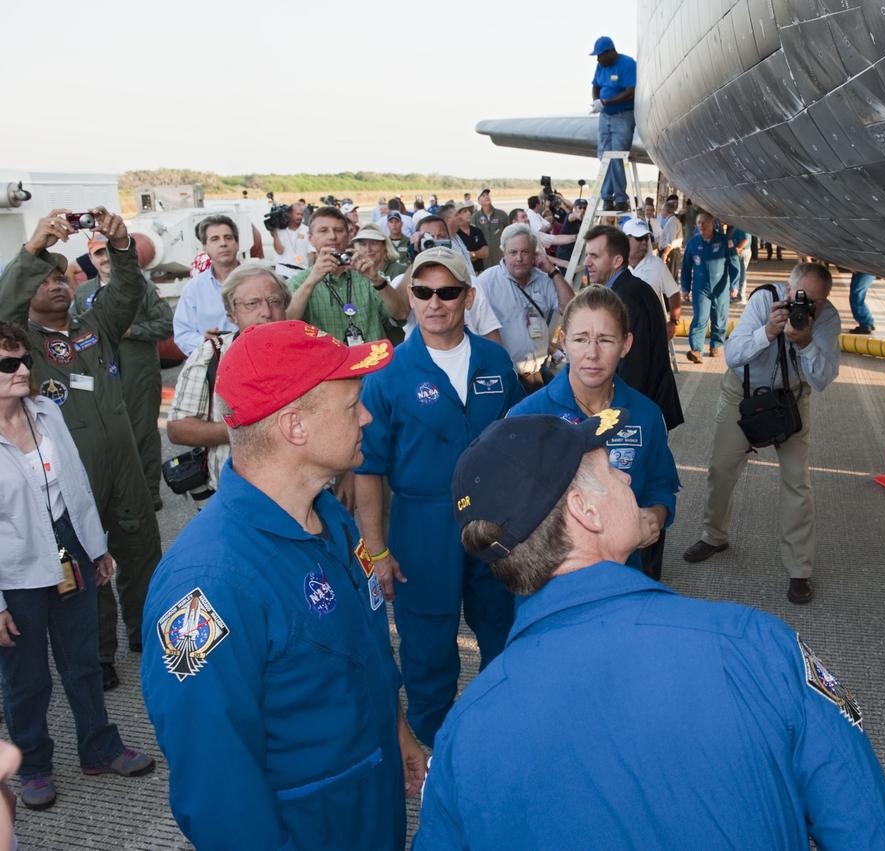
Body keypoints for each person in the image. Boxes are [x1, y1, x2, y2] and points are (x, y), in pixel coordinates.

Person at [412, 411, 885, 849]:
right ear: (584, 512)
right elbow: (867, 830)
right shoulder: (754, 647)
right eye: (609, 468)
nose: (626, 474)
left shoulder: (464, 735)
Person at [142, 320, 423, 850]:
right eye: (351, 405)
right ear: (295, 427)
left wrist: (398, 730)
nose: (367, 416)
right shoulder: (208, 585)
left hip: (371, 801)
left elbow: (363, 651)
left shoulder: (331, 519)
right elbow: (215, 790)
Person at [353, 247, 521, 747]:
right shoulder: (386, 374)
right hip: (421, 528)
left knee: (504, 633)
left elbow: (517, 444)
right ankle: (431, 752)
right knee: (427, 649)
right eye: (422, 292)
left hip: (494, 525)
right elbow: (367, 471)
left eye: (447, 292)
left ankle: (502, 736)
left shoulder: (495, 360)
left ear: (468, 298)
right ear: (410, 296)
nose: (434, 302)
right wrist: (377, 551)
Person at [0, 208, 163, 691]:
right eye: (43, 279)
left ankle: (147, 629)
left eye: (62, 276)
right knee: (89, 559)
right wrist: (32, 250)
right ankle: (98, 653)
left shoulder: (95, 326)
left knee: (140, 547)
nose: (56, 284)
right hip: (73, 471)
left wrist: (120, 248)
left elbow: (129, 291)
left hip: (124, 461)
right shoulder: (19, 345)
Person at [0, 320, 155, 811]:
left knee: (83, 661)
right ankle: (32, 767)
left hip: (68, 546)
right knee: (26, 679)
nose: (24, 369)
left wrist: (96, 547)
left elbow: (75, 486)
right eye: (9, 363)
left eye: (25, 358)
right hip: (12, 570)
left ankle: (100, 746)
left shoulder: (46, 409)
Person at [683, 263, 841, 605]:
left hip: (792, 401)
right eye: (799, 297)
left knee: (798, 483)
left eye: (814, 302)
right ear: (787, 289)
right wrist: (767, 332)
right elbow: (732, 356)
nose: (804, 307)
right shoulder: (762, 301)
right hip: (743, 394)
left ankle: (799, 569)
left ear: (825, 301)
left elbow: (823, 379)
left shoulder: (826, 319)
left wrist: (806, 343)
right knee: (722, 469)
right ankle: (714, 535)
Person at [508, 286, 677, 579]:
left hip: (624, 572)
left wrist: (656, 514)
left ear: (626, 344)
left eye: (606, 340)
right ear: (563, 342)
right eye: (581, 339)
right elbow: (506, 502)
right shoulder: (525, 416)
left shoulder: (646, 415)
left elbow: (662, 482)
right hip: (548, 578)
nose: (592, 353)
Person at [165, 262, 290, 499]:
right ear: (232, 313)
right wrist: (246, 430)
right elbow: (178, 428)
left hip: (300, 493)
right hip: (236, 495)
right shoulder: (210, 354)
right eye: (252, 304)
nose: (266, 312)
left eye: (274, 301)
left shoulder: (306, 352)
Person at [71, 235, 173, 509]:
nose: (105, 258)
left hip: (138, 371)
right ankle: (121, 492)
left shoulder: (142, 286)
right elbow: (74, 330)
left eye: (109, 252)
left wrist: (132, 331)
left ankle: (149, 492)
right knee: (109, 435)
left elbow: (166, 324)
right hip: (100, 375)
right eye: (98, 254)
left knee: (142, 432)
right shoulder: (83, 293)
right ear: (91, 259)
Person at [581, 225, 683, 430]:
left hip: (637, 412)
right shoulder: (631, 288)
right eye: (586, 255)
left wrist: (619, 418)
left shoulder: (624, 299)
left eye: (594, 256)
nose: (587, 263)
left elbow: (634, 365)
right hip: (644, 406)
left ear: (617, 261)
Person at [473, 223, 575, 392]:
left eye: (525, 252)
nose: (519, 258)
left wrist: (552, 270)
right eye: (513, 252)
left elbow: (571, 310)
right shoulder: (486, 282)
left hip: (538, 371)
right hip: (507, 375)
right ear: (503, 252)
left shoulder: (544, 279)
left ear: (534, 253)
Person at [285, 205, 409, 345]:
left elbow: (401, 315)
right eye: (323, 231)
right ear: (311, 238)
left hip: (372, 362)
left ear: (349, 235)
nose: (332, 236)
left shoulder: (368, 275)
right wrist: (311, 282)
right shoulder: (299, 282)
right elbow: (286, 325)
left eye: (338, 230)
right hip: (328, 364)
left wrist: (378, 281)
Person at [397, 218, 502, 343]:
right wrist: (414, 258)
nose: (434, 242)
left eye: (450, 293)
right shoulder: (403, 281)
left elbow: (490, 331)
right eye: (423, 292)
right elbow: (400, 313)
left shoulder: (470, 282)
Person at [173, 215, 241, 356]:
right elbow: (182, 334)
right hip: (213, 363)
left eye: (228, 237)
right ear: (205, 247)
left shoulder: (259, 280)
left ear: (237, 243)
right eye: (215, 239)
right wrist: (205, 341)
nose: (223, 243)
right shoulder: (193, 289)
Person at [589, 36, 637, 209]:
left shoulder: (627, 64)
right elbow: (595, 85)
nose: (598, 59)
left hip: (623, 116)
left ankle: (620, 198)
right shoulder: (601, 66)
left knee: (617, 157)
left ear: (610, 52)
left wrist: (607, 102)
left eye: (600, 55)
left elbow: (631, 91)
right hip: (605, 116)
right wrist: (597, 101)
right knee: (604, 157)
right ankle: (607, 197)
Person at [680, 211, 731, 363]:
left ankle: (715, 345)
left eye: (705, 222)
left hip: (720, 287)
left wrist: (734, 284)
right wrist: (684, 287)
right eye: (699, 222)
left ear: (712, 223)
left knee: (719, 318)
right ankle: (696, 350)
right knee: (700, 318)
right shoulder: (693, 243)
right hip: (701, 288)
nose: (702, 225)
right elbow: (686, 267)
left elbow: (734, 263)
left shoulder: (723, 241)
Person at [623, 217, 681, 339]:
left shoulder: (657, 264)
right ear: (626, 239)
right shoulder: (616, 265)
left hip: (651, 332)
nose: (644, 242)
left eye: (646, 238)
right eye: (639, 238)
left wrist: (673, 321)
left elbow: (674, 292)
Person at [471, 189, 509, 271]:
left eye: (487, 195)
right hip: (484, 261)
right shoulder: (475, 217)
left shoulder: (502, 214)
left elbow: (509, 234)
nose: (487, 197)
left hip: (501, 258)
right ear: (479, 201)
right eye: (483, 196)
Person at [270, 202, 311, 277]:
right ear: (290, 214)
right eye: (297, 214)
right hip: (282, 271)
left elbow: (312, 253)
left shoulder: (307, 231)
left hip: (301, 273)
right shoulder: (279, 230)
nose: (300, 217)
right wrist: (274, 234)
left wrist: (310, 272)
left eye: (301, 214)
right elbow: (279, 251)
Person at [452, 201, 488, 273]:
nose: (469, 213)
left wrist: (472, 254)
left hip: (480, 272)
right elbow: (460, 259)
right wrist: (477, 254)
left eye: (469, 211)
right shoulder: (455, 235)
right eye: (465, 211)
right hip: (464, 274)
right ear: (457, 215)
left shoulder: (477, 231)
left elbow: (485, 252)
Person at [655, 197, 683, 282]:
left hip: (670, 253)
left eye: (662, 210)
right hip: (668, 252)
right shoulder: (669, 220)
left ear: (666, 211)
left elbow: (670, 241)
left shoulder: (672, 221)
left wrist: (664, 255)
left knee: (669, 280)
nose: (661, 212)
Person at [726, 222, 751, 303]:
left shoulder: (743, 225)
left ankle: (741, 297)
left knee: (741, 275)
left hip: (742, 252)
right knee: (739, 274)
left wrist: (737, 248)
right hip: (739, 251)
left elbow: (746, 240)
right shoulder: (736, 225)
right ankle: (737, 296)